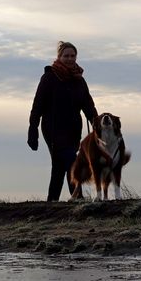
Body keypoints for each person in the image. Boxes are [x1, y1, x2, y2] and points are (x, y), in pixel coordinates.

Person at [28, 41, 98, 201]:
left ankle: (52, 202)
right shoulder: (49, 77)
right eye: (66, 56)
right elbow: (37, 105)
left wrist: (97, 125)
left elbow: (88, 104)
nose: (69, 59)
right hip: (53, 130)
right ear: (59, 57)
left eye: (72, 56)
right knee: (71, 161)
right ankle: (78, 198)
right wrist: (33, 129)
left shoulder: (79, 80)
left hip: (73, 130)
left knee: (59, 167)